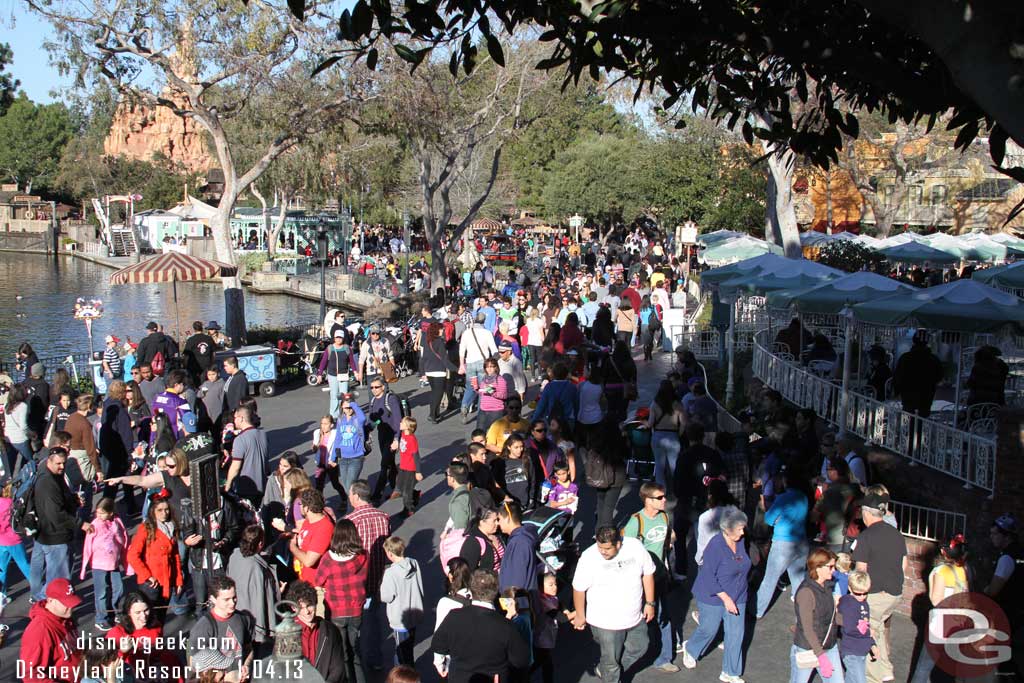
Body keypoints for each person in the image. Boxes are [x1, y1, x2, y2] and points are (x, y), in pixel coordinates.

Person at [571, 525, 656, 683]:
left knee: (640, 646)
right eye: (600, 547)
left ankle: (605, 669)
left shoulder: (635, 547)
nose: (603, 552)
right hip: (605, 622)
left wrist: (650, 603)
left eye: (607, 548)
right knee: (611, 664)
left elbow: (648, 574)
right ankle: (610, 674)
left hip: (634, 616)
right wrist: (580, 615)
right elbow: (578, 588)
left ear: (618, 543)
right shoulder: (588, 557)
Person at [681, 506, 751, 683]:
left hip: (738, 593)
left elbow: (743, 560)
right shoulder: (715, 546)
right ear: (727, 530)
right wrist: (725, 598)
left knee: (736, 634)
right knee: (709, 629)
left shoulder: (741, 541)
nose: (743, 532)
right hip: (712, 595)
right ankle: (691, 649)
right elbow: (708, 576)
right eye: (740, 529)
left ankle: (730, 672)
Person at [432, 568, 531, 683]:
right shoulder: (505, 626)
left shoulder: (454, 616)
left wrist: (442, 664)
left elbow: (438, 645)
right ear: (495, 591)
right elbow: (522, 660)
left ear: (471, 589)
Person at [621, 482, 679, 672]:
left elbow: (672, 536)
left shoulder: (664, 517)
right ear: (647, 500)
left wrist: (670, 541)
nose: (664, 500)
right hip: (641, 580)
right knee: (640, 618)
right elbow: (626, 553)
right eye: (659, 498)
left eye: (664, 497)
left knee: (664, 615)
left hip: (661, 575)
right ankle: (620, 659)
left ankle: (664, 657)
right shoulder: (636, 522)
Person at [851, 491, 907, 683]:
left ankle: (873, 677)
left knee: (867, 633)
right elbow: (904, 565)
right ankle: (885, 670)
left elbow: (861, 572)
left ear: (866, 513)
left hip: (875, 595)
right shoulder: (897, 535)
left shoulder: (866, 537)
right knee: (879, 628)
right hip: (895, 594)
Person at [345, 480, 392, 671]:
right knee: (374, 618)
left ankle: (357, 659)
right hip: (379, 576)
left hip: (358, 579)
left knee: (357, 622)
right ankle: (375, 657)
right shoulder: (384, 516)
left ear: (356, 496)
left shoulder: (351, 521)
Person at [30, 447, 88, 602]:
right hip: (55, 537)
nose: (62, 467)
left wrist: (73, 500)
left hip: (47, 534)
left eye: (64, 463)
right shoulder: (47, 483)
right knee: (57, 581)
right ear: (49, 461)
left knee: (49, 575)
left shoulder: (53, 475)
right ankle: (45, 603)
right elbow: (56, 514)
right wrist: (80, 524)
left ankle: (40, 599)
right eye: (58, 463)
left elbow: (60, 501)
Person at [314, 519, 368, 683]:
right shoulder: (363, 555)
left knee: (343, 654)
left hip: (336, 611)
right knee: (355, 652)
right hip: (357, 610)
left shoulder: (328, 560)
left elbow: (318, 581)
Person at [755, 468, 809, 619]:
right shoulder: (803, 497)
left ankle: (758, 610)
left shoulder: (783, 498)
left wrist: (764, 508)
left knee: (770, 578)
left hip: (783, 543)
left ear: (786, 482)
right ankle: (803, 607)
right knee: (798, 577)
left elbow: (769, 519)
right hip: (801, 542)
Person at [790, 548, 844, 683]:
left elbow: (831, 616)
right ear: (818, 568)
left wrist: (853, 622)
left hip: (829, 645)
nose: (834, 570)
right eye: (830, 567)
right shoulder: (806, 593)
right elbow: (807, 629)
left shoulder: (827, 586)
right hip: (808, 648)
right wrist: (820, 656)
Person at [127, 490, 183, 616]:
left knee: (161, 617)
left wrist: (178, 580)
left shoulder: (171, 527)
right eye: (160, 510)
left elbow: (175, 556)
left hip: (167, 581)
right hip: (151, 583)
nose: (164, 513)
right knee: (149, 618)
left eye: (166, 509)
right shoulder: (146, 528)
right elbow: (132, 555)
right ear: (153, 511)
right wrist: (147, 576)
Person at [189, 576, 255, 679]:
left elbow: (249, 648)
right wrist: (224, 678)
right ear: (213, 599)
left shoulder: (243, 619)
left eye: (234, 597)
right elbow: (195, 666)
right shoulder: (203, 628)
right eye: (226, 599)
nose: (232, 603)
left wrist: (246, 665)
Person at [19, 578, 84, 683]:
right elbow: (31, 674)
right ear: (50, 600)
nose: (70, 607)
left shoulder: (65, 617)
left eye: (72, 602)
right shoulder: (39, 631)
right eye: (65, 603)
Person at [226, 525, 279, 650]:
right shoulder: (256, 568)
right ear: (260, 543)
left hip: (236, 613)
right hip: (253, 620)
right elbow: (264, 596)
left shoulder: (235, 556)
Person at [284, 580, 346, 683]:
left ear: (315, 602)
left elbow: (338, 669)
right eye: (301, 608)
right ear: (293, 608)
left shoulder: (330, 631)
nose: (306, 611)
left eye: (309, 605)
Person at [81, 497, 128, 631]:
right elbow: (88, 546)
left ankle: (115, 610)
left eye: (102, 513)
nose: (98, 515)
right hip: (98, 564)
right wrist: (85, 566)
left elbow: (122, 539)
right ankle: (101, 617)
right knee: (102, 592)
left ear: (111, 513)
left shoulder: (117, 522)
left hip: (113, 562)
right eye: (97, 513)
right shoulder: (95, 525)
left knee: (119, 588)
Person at [985, 513, 1022, 679]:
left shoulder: (1006, 558)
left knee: (1002, 655)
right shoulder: (1020, 552)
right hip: (1019, 612)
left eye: (995, 534)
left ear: (1006, 536)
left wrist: (984, 590)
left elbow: (993, 590)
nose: (991, 537)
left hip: (1007, 613)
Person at [380, 536, 425, 667]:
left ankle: (406, 677)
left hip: (400, 618)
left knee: (402, 654)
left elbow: (386, 597)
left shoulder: (391, 573)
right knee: (408, 648)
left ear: (390, 553)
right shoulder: (414, 563)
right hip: (414, 613)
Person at [839, 570, 879, 683]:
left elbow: (866, 624)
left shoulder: (864, 604)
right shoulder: (848, 604)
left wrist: (872, 644)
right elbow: (850, 628)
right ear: (850, 589)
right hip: (851, 651)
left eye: (865, 593)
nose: (862, 596)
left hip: (861, 650)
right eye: (858, 593)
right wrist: (868, 633)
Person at [224, 405, 268, 508]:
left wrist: (227, 486)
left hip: (246, 487)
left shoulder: (240, 439)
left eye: (235, 418)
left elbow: (235, 467)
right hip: (262, 485)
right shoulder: (263, 434)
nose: (234, 421)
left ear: (241, 418)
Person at [892, 330, 943, 418]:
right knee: (922, 420)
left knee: (908, 420)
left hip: (908, 395)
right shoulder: (933, 359)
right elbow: (939, 376)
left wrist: (896, 392)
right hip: (926, 396)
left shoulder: (905, 358)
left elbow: (898, 376)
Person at [367, 380, 403, 503]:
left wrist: (397, 439)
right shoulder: (373, 401)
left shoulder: (391, 399)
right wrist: (370, 428)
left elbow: (398, 419)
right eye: (372, 387)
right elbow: (376, 420)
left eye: (377, 387)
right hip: (382, 434)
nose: (374, 389)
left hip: (392, 434)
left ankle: (377, 494)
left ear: (383, 387)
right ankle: (397, 488)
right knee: (390, 462)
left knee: (384, 464)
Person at [587, 423, 628, 528]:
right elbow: (628, 453)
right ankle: (605, 532)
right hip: (616, 478)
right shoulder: (619, 441)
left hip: (600, 477)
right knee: (609, 507)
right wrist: (625, 437)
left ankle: (598, 531)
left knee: (601, 504)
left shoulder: (597, 441)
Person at [459, 313, 499, 421]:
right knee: (483, 388)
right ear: (484, 321)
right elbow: (494, 350)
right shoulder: (487, 333)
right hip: (483, 363)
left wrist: (462, 365)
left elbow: (462, 350)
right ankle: (482, 412)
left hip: (470, 363)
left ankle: (464, 406)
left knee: (470, 387)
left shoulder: (467, 333)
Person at [291, 488, 334, 584]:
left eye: (300, 504)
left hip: (315, 585)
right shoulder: (308, 521)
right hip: (304, 579)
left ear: (306, 508)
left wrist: (293, 547)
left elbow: (308, 561)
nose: (299, 507)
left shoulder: (324, 527)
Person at [648, 379, 685, 488]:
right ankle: (678, 489)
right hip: (673, 436)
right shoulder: (678, 404)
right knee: (674, 466)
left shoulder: (654, 404)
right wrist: (679, 434)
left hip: (658, 436)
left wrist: (644, 423)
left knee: (659, 467)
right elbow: (684, 423)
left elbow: (650, 424)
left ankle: (661, 492)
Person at [497, 501, 539, 593]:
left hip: (518, 602)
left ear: (508, 518)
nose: (498, 523)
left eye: (499, 519)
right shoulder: (519, 539)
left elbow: (517, 579)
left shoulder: (519, 542)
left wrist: (510, 602)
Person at [320, 329, 359, 418]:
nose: (338, 339)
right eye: (337, 337)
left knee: (344, 395)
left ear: (343, 338)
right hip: (332, 375)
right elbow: (324, 361)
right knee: (334, 395)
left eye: (340, 337)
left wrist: (355, 372)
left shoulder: (347, 348)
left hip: (343, 375)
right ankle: (333, 415)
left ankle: (344, 413)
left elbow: (351, 362)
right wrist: (319, 374)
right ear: (334, 338)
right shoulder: (330, 348)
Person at [460, 508, 506, 573]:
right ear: (482, 522)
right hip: (486, 581)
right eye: (494, 520)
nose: (497, 523)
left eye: (497, 520)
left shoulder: (498, 535)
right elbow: (466, 571)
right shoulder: (473, 542)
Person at [395, 416, 423, 517]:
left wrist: (418, 471)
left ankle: (408, 509)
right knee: (400, 487)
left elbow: (416, 456)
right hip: (403, 466)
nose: (400, 423)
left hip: (410, 469)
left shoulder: (412, 440)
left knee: (406, 492)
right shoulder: (403, 434)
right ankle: (415, 494)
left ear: (407, 427)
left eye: (402, 422)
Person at [3, 384, 31, 476]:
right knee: (30, 462)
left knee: (10, 465)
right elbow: (23, 426)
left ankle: (10, 484)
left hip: (8, 439)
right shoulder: (23, 406)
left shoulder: (7, 405)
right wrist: (31, 434)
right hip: (20, 438)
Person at [183, 321, 216, 386]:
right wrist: (212, 363)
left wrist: (185, 366)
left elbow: (186, 355)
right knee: (206, 384)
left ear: (194, 329)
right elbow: (214, 353)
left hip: (194, 366)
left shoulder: (191, 340)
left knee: (195, 385)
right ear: (202, 328)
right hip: (207, 365)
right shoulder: (209, 339)